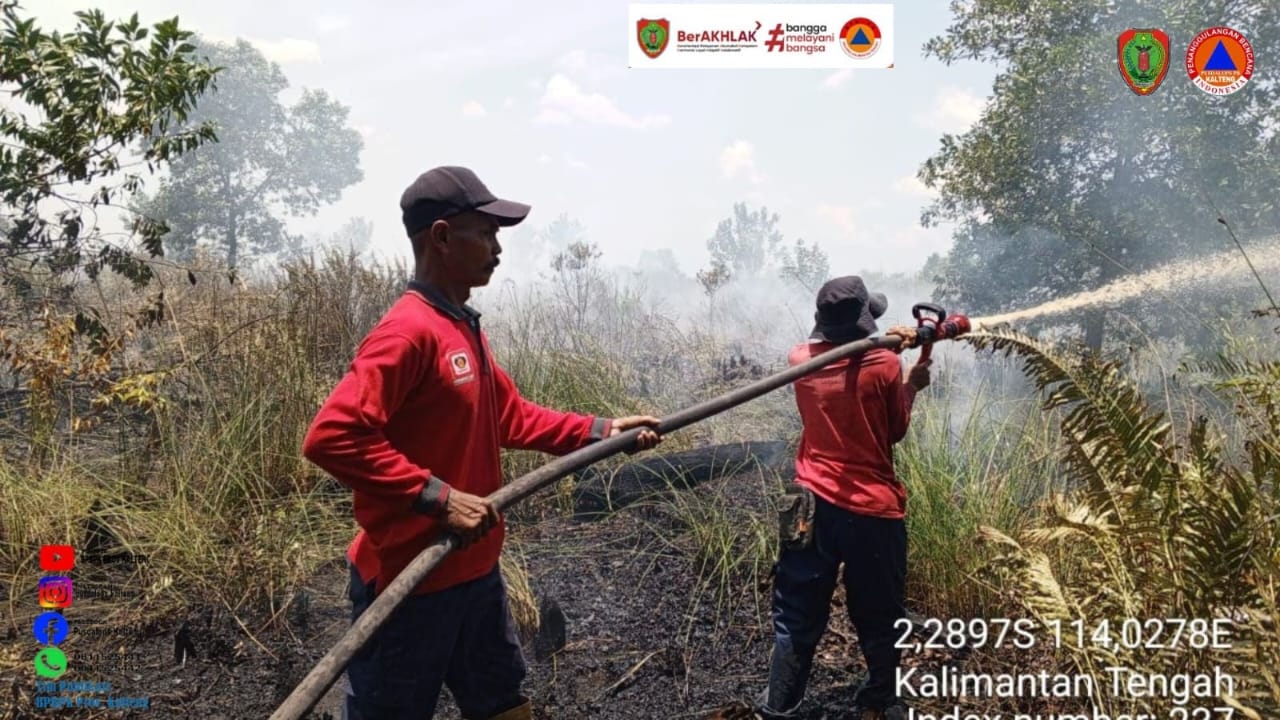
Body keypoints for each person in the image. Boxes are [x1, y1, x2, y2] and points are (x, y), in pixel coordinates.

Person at [302, 165, 663, 720]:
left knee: (503, 704)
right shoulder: (408, 332)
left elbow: (508, 416)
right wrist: (438, 498)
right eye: (486, 233)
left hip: (473, 573)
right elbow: (332, 436)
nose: (498, 248)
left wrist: (599, 432)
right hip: (409, 582)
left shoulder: (460, 325)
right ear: (442, 237)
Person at [710, 275, 931, 720]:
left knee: (795, 611)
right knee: (878, 610)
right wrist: (912, 384)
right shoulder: (884, 365)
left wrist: (889, 347)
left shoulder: (800, 360)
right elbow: (894, 431)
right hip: (870, 510)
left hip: (805, 501)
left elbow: (848, 373)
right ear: (862, 325)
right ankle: (880, 701)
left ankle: (780, 705)